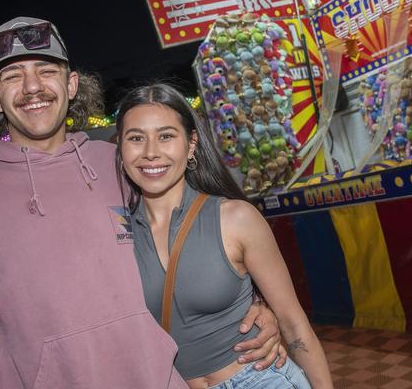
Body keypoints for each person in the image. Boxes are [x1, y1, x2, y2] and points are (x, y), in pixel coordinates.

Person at [0, 16, 283, 389]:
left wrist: (254, 299)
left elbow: (200, 231)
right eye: (13, 76)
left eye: (46, 70)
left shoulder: (119, 162)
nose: (32, 87)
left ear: (71, 84)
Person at [116, 83, 334, 388]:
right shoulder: (117, 237)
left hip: (260, 379)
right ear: (121, 148)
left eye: (166, 136)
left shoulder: (235, 218)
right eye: (136, 138)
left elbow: (293, 322)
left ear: (191, 144)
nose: (151, 152)